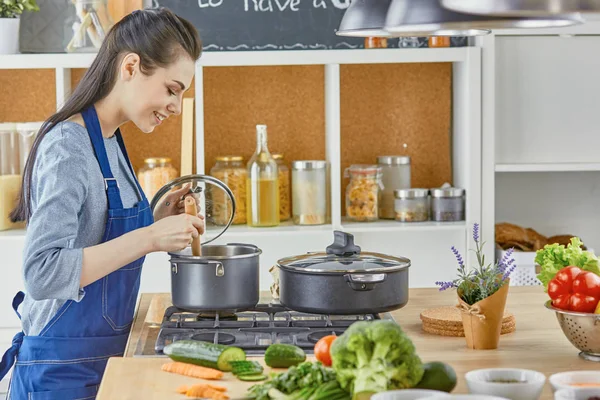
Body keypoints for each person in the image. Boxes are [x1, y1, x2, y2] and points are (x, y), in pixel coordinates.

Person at [0, 8, 204, 399]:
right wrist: (148, 237)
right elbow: (42, 272)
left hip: (102, 362)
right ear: (131, 66)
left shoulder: (109, 139)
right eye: (172, 88)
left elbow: (93, 229)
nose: (177, 106)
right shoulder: (67, 146)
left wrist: (159, 217)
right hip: (61, 372)